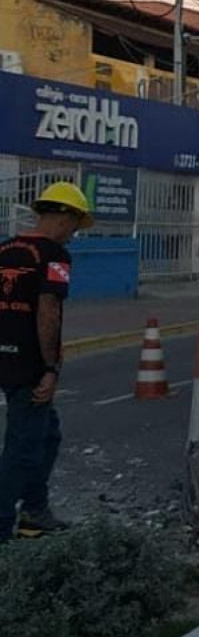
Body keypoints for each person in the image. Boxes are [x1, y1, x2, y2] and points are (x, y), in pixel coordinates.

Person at [0, 182, 92, 543]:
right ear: (62, 216)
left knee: (47, 434)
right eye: (75, 224)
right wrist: (50, 369)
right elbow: (48, 312)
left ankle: (35, 512)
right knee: (22, 446)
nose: (73, 234)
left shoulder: (6, 249)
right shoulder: (54, 256)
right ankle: (4, 528)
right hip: (29, 364)